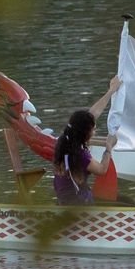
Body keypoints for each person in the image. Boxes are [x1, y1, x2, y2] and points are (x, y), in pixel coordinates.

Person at [51, 75, 122, 206]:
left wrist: (111, 91)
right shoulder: (81, 155)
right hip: (78, 205)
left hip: (63, 200)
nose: (95, 131)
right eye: (94, 129)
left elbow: (92, 114)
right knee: (123, 203)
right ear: (84, 132)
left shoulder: (65, 139)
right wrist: (108, 149)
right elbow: (101, 170)